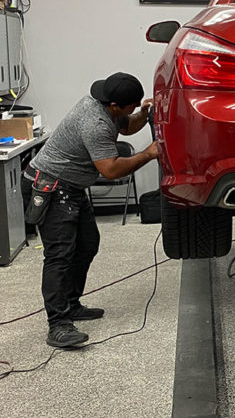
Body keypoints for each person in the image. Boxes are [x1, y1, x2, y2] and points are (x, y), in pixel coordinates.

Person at [21, 72, 159, 348]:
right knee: (59, 255)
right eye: (131, 106)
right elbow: (110, 170)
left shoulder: (105, 105)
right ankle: (58, 325)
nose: (132, 110)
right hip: (50, 187)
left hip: (70, 187)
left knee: (87, 244)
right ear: (115, 105)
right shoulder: (94, 123)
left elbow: (127, 126)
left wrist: (144, 112)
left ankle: (71, 304)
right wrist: (147, 154)